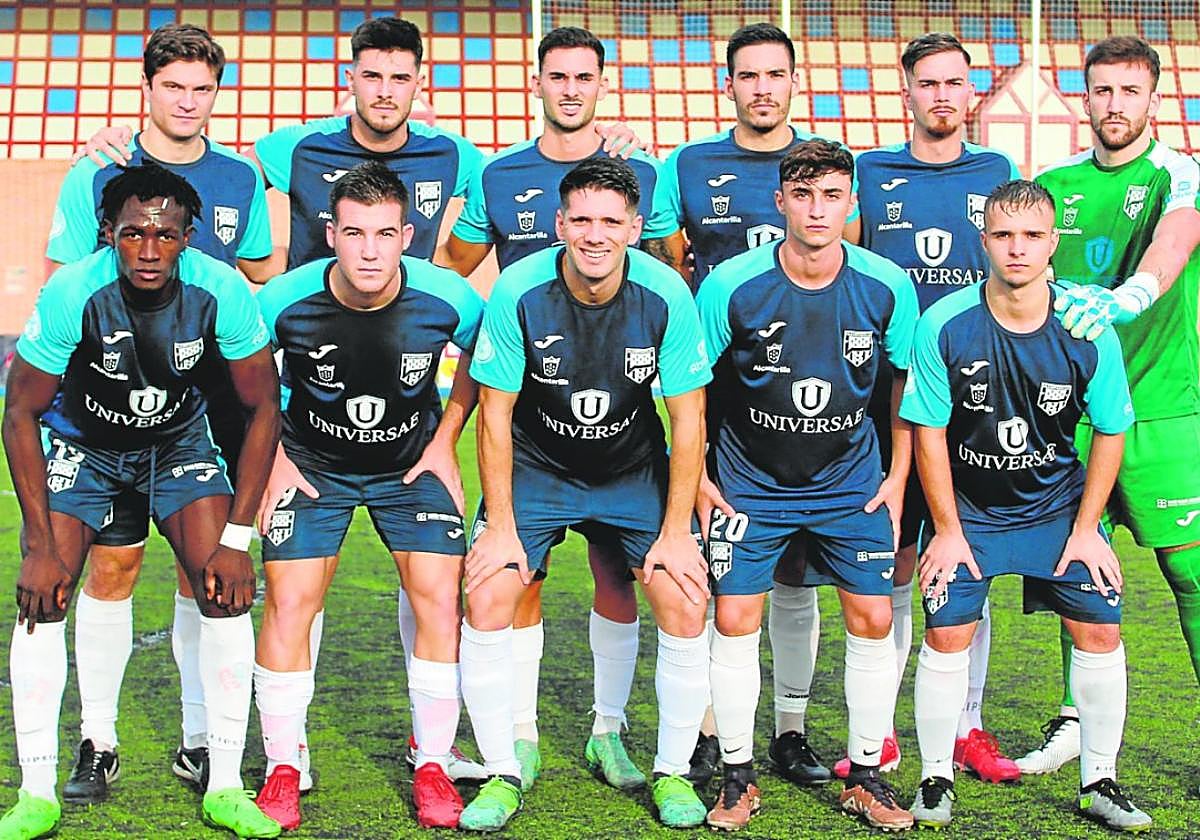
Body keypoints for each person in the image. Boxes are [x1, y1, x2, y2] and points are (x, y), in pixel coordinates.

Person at [0, 164, 282, 840]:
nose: (149, 250)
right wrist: (38, 544)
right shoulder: (74, 290)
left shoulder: (221, 290)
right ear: (108, 233)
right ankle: (41, 787)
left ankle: (223, 781)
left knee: (224, 592)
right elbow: (20, 412)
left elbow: (263, 407)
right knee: (43, 598)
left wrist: (238, 539)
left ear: (188, 237)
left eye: (165, 235)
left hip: (176, 445)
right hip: (86, 446)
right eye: (133, 234)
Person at [436, 25, 673, 793]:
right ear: (536, 83)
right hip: (531, 413)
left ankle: (610, 732)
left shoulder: (641, 171)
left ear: (603, 84)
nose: (571, 89)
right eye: (558, 76)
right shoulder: (500, 174)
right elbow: (447, 270)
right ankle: (521, 738)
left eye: (583, 77)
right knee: (518, 579)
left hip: (620, 419)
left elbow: (671, 266)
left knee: (618, 571)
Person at [43, 23, 277, 801]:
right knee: (112, 567)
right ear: (146, 88)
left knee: (203, 572)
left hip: (206, 410)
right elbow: (63, 281)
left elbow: (258, 270)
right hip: (107, 407)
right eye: (172, 86)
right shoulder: (97, 171)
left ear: (217, 93)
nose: (187, 102)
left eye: (201, 89)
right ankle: (98, 741)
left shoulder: (240, 175)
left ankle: (199, 740)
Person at [459, 157, 712, 831]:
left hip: (631, 468)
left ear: (634, 227)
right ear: (559, 224)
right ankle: (506, 763)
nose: (595, 235)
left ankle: (658, 762)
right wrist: (501, 526)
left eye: (610, 221)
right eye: (581, 220)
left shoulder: (666, 293)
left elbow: (688, 419)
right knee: (489, 592)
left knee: (685, 599)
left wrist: (676, 532)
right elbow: (494, 414)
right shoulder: (518, 289)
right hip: (539, 466)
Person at [901, 179, 1150, 832]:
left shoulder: (1085, 328)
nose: (1018, 248)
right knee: (947, 632)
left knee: (1100, 629)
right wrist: (947, 530)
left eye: (1032, 235)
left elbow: (1112, 429)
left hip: (1057, 508)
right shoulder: (944, 323)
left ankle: (1099, 781)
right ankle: (935, 778)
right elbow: (928, 431)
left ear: (1052, 242)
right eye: (1004, 235)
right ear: (984, 240)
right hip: (970, 511)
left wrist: (1088, 529)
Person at [250, 161, 482, 830]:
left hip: (409, 467)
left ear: (407, 235)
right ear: (331, 235)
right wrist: (274, 458)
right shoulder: (282, 300)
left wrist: (446, 439)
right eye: (354, 233)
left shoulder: (450, 298)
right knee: (290, 600)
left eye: (385, 234)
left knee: (439, 597)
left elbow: (484, 358)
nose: (370, 251)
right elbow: (242, 375)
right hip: (310, 467)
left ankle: (431, 761)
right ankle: (284, 766)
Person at [695, 139, 917, 832]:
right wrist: (698, 474)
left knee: (873, 617)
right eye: (803, 195)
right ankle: (737, 778)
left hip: (851, 481)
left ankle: (867, 778)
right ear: (780, 201)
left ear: (852, 202)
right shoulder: (732, 285)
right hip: (750, 482)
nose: (817, 209)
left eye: (831, 196)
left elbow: (905, 383)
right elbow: (692, 385)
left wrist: (898, 475)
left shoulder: (886, 285)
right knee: (735, 617)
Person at [653, 21, 846, 788]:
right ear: (726, 83)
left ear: (795, 81)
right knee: (717, 561)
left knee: (798, 570)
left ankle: (790, 732)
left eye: (775, 74)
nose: (762, 88)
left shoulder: (829, 164)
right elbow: (670, 260)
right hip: (724, 398)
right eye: (749, 75)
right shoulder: (690, 164)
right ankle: (709, 729)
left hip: (815, 398)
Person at [1020, 35, 1200, 775]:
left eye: (1130, 91)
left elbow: (1177, 237)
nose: (1115, 104)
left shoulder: (1176, 172)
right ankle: (1075, 722)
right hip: (1074, 417)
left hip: (1161, 409)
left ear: (1154, 98)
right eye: (1102, 90)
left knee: (1191, 574)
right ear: (1084, 97)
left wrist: (1132, 295)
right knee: (1078, 569)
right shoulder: (1053, 183)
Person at [845, 31, 1022, 782]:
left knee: (967, 560)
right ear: (907, 91)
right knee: (890, 559)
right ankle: (881, 730)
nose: (941, 95)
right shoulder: (870, 170)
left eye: (954, 83)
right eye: (928, 83)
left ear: (969, 92)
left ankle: (965, 727)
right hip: (886, 399)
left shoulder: (998, 171)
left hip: (976, 399)